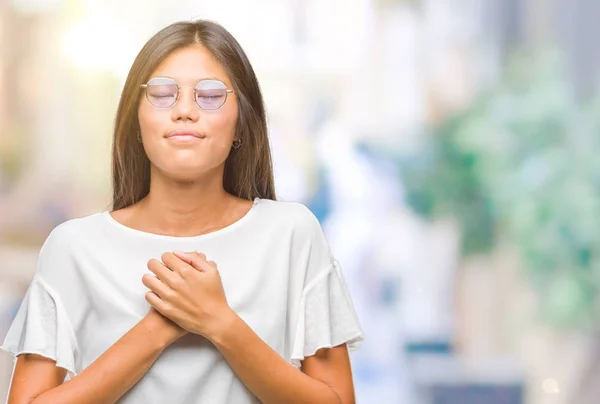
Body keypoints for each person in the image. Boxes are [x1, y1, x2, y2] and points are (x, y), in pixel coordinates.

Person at [0, 20, 363, 403]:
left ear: (241, 122)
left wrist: (218, 321)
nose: (185, 110)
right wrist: (157, 330)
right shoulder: (73, 247)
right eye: (162, 93)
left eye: (209, 96)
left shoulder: (292, 234)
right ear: (136, 121)